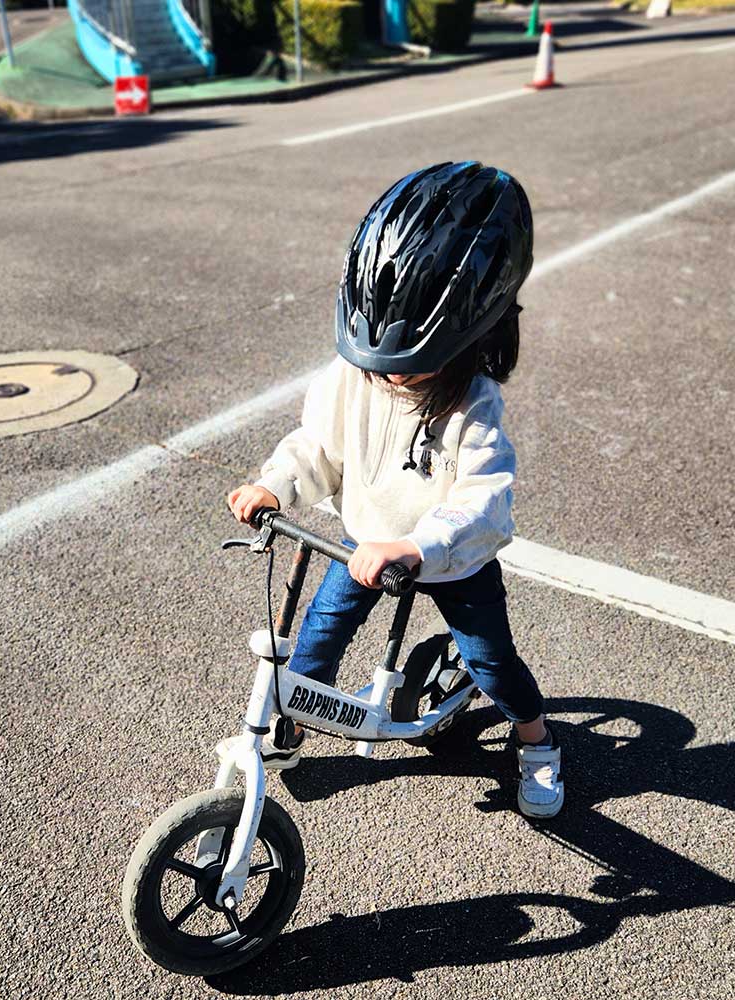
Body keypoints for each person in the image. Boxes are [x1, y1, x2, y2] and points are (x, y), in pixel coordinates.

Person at [227, 162, 564, 819]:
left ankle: (537, 740)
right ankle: (294, 723)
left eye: (415, 364)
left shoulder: (474, 406)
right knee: (315, 644)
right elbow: (317, 448)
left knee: (493, 664)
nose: (391, 377)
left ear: (474, 334)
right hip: (365, 541)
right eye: (381, 362)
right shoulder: (355, 375)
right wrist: (274, 486)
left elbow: (485, 504)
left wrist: (417, 546)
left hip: (450, 559)